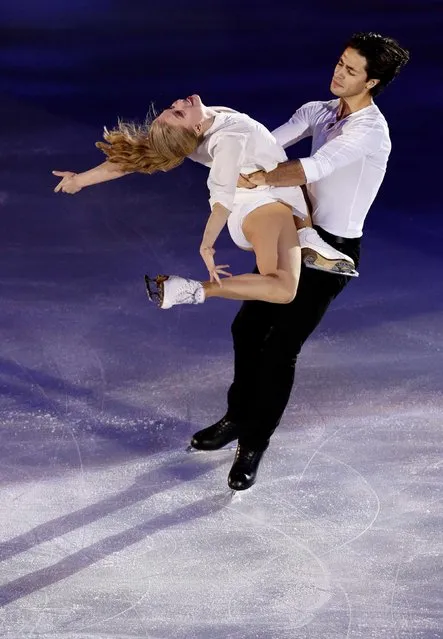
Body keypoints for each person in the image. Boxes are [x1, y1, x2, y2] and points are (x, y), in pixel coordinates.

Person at [187, 31, 410, 491]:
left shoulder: (369, 131)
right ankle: (237, 416)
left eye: (350, 70)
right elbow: (266, 143)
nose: (338, 72)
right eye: (339, 62)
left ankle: (254, 443)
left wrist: (262, 178)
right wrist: (212, 145)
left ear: (371, 82)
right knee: (247, 328)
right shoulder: (320, 111)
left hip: (332, 251)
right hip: (297, 232)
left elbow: (314, 167)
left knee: (280, 347)